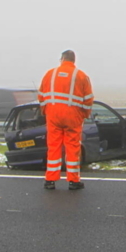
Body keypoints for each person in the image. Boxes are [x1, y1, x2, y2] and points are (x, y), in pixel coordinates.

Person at [38, 50, 93, 190]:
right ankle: (73, 181)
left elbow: (41, 95)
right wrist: (84, 115)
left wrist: (46, 111)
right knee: (73, 147)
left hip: (53, 115)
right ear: (73, 60)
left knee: (53, 146)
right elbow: (88, 99)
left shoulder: (49, 74)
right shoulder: (81, 76)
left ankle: (50, 180)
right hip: (73, 116)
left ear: (62, 59)